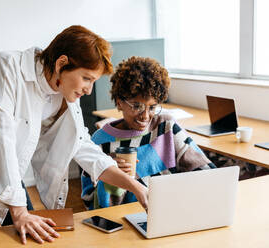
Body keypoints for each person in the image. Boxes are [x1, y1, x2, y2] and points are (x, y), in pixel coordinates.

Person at [0, 25, 149, 247]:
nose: (89, 90)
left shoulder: (62, 90)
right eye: (86, 78)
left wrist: (136, 187)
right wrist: (20, 213)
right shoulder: (5, 69)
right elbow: (1, 142)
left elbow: (81, 145)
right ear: (61, 63)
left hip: (6, 171)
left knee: (34, 238)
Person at [81, 56, 216, 210]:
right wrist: (111, 179)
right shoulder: (99, 142)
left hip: (171, 210)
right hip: (124, 220)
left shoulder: (166, 126)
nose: (145, 116)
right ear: (119, 102)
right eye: (137, 106)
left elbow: (206, 170)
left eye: (152, 107)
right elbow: (90, 203)